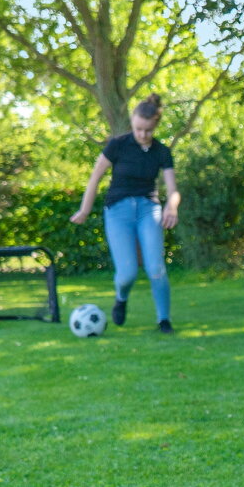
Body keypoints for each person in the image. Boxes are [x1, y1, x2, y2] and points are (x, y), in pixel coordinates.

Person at [70, 95, 181, 333]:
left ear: (155, 126)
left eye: (148, 130)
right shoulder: (117, 145)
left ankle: (164, 320)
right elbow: (95, 177)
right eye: (138, 129)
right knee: (127, 274)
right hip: (118, 211)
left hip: (148, 210)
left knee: (156, 269)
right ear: (132, 121)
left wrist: (171, 206)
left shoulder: (162, 152)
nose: (143, 134)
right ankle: (121, 298)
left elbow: (173, 190)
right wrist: (84, 210)